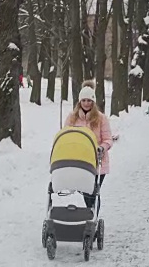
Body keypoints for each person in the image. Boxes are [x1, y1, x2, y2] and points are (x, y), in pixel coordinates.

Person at [64, 80, 113, 211]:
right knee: (86, 192)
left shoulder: (101, 118)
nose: (86, 103)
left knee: (92, 192)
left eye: (89, 101)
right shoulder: (72, 118)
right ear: (80, 101)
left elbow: (108, 139)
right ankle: (89, 213)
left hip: (97, 161)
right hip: (80, 160)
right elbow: (66, 135)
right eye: (84, 100)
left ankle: (92, 217)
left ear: (94, 102)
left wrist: (102, 147)